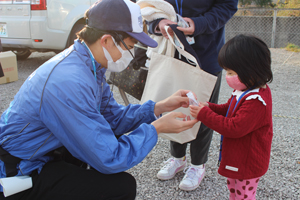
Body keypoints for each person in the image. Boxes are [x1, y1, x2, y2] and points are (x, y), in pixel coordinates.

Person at [0, 0, 198, 199]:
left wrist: (157, 108)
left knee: (99, 150)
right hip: (18, 169)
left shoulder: (89, 65)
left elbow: (111, 117)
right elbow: (110, 158)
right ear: (107, 41)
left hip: (43, 152)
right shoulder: (68, 82)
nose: (131, 55)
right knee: (121, 188)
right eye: (130, 47)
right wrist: (156, 128)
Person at [148, 0, 239, 191]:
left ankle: (198, 165)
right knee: (175, 105)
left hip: (206, 51)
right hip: (171, 48)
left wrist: (199, 24)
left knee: (203, 110)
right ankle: (177, 158)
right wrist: (157, 22)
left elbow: (227, 5)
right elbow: (143, 4)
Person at [190, 34, 273, 200]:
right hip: (239, 159)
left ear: (251, 69)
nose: (227, 76)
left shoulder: (256, 101)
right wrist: (210, 107)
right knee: (234, 190)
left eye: (231, 72)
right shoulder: (245, 90)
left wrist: (205, 115)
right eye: (226, 71)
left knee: (244, 195)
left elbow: (234, 128)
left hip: (248, 163)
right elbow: (229, 109)